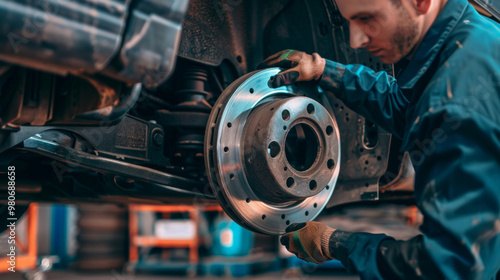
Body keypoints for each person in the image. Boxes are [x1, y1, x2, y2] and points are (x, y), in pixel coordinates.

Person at [260, 0, 500, 279]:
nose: (355, 40)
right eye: (349, 21)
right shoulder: (468, 40)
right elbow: (405, 107)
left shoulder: (458, 103)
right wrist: (324, 69)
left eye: (367, 19)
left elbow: (449, 269)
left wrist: (335, 244)